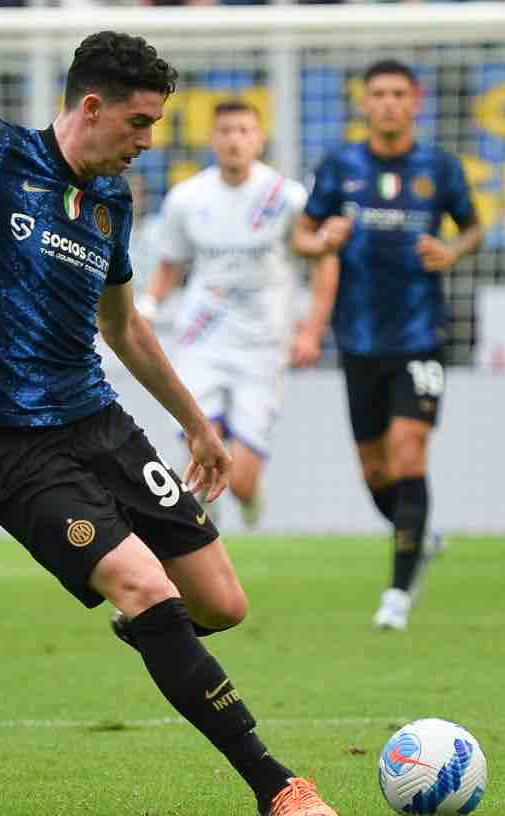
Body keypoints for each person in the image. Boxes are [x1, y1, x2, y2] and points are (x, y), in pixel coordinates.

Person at [0, 26, 340, 816]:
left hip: (96, 421)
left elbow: (125, 327)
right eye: (140, 122)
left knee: (221, 603)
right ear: (91, 106)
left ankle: (150, 626)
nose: (148, 141)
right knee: (147, 586)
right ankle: (277, 785)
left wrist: (196, 425)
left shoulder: (112, 200)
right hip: (5, 443)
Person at [291, 59, 484, 632]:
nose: (389, 103)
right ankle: (419, 534)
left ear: (416, 100)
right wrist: (320, 241)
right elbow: (301, 236)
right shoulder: (340, 166)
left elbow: (473, 228)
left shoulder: (439, 167)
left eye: (399, 93)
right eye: (378, 94)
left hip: (421, 337)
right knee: (375, 471)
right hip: (358, 340)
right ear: (364, 102)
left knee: (408, 451)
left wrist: (453, 251)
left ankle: (397, 595)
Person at [135, 100, 328, 529]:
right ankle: (203, 535)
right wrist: (148, 307)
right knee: (201, 452)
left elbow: (324, 260)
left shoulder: (286, 198)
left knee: (240, 480)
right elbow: (170, 266)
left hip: (264, 344)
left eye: (244, 131)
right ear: (212, 140)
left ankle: (247, 498)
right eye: (225, 131)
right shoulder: (187, 198)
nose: (234, 140)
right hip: (202, 339)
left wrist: (311, 330)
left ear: (259, 140)